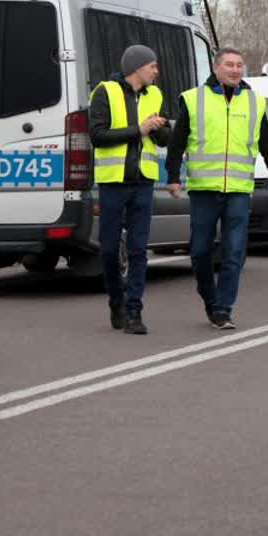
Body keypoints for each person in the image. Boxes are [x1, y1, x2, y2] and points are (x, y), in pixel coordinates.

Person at [165, 47, 268, 330]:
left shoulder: (255, 102)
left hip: (238, 190)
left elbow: (267, 143)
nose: (235, 70)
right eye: (230, 65)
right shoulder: (193, 99)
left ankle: (223, 308)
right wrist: (172, 176)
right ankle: (210, 299)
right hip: (204, 190)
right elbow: (177, 142)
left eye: (240, 65)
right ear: (216, 68)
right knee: (199, 251)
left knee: (234, 252)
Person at [89, 44, 172, 335]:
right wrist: (139, 129)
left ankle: (135, 311)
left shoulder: (156, 94)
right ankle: (116, 300)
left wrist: (160, 129)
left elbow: (163, 139)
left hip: (143, 182)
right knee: (110, 250)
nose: (156, 71)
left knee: (139, 250)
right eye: (152, 66)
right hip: (113, 182)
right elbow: (97, 136)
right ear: (137, 67)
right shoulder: (105, 92)